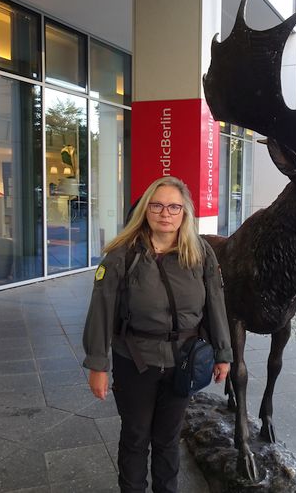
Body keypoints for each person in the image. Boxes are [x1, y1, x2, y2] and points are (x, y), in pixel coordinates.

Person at [82, 176, 232, 493]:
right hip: (135, 359)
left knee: (167, 438)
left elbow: (216, 303)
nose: (166, 213)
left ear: (184, 212)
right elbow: (101, 310)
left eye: (174, 206)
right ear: (146, 210)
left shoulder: (200, 253)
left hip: (184, 360)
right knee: (136, 436)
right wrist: (98, 364)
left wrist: (223, 353)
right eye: (158, 205)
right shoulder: (122, 255)